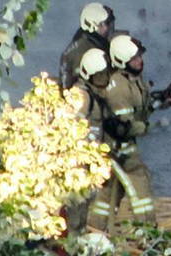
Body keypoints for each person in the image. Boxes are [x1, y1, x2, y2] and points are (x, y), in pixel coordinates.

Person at [88, 34, 171, 233]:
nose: (140, 61)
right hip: (117, 151)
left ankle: (94, 230)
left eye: (140, 56)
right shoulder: (118, 88)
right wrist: (150, 127)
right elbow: (123, 128)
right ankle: (147, 234)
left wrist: (162, 101)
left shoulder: (134, 80)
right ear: (122, 61)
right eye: (134, 59)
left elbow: (141, 109)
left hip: (120, 150)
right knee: (141, 186)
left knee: (108, 192)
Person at [65, 48, 112, 238]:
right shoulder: (81, 97)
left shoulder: (92, 95)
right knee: (76, 212)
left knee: (84, 208)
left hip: (88, 163)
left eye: (105, 75)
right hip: (77, 165)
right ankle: (72, 244)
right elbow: (68, 127)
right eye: (99, 76)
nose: (104, 80)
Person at [58, 2, 115, 89]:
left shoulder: (98, 43)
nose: (107, 28)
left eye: (108, 23)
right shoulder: (80, 49)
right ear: (92, 25)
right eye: (104, 24)